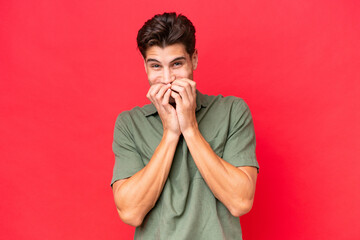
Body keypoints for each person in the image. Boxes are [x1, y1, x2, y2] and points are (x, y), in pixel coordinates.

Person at [110, 12, 259, 239]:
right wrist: (171, 133)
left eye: (177, 64)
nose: (168, 78)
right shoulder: (129, 124)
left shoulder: (232, 111)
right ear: (145, 67)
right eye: (156, 66)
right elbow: (130, 212)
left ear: (194, 59)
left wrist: (190, 129)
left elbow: (240, 202)